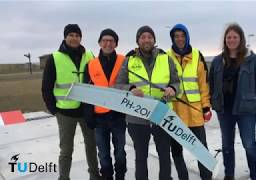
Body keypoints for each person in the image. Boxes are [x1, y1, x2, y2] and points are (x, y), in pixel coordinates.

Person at [115, 25, 180, 180]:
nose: (146, 40)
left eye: (149, 37)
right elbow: (118, 85)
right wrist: (130, 88)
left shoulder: (166, 58)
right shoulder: (129, 60)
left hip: (162, 114)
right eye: (143, 37)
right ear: (138, 40)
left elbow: (177, 83)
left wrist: (173, 88)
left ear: (154, 40)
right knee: (141, 156)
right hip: (137, 115)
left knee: (164, 155)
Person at [209, 23, 256, 180]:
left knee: (250, 146)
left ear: (241, 39)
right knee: (227, 146)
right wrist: (213, 102)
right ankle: (229, 175)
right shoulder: (217, 61)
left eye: (235, 37)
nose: (231, 40)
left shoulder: (252, 60)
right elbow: (211, 84)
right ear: (225, 40)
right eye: (229, 37)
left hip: (246, 111)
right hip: (224, 111)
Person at [41, 24, 101, 180]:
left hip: (87, 111)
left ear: (81, 37)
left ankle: (94, 175)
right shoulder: (55, 58)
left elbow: (97, 79)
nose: (74, 38)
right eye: (71, 35)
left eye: (77, 35)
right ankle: (64, 177)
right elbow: (46, 86)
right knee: (66, 149)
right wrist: (53, 109)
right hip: (65, 112)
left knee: (91, 146)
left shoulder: (89, 55)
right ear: (65, 37)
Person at [167, 23, 213, 180]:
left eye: (182, 35)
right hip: (175, 113)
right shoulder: (166, 57)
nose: (179, 39)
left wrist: (206, 106)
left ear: (187, 37)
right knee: (177, 151)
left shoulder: (196, 55)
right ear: (173, 38)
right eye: (176, 36)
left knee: (201, 150)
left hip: (195, 112)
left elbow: (203, 84)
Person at [83, 29, 127, 180]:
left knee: (120, 153)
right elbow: (86, 92)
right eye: (105, 40)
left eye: (111, 41)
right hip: (99, 118)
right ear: (100, 43)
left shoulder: (124, 60)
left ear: (115, 43)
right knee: (103, 154)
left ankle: (120, 176)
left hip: (118, 116)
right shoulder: (90, 65)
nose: (108, 43)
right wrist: (89, 116)